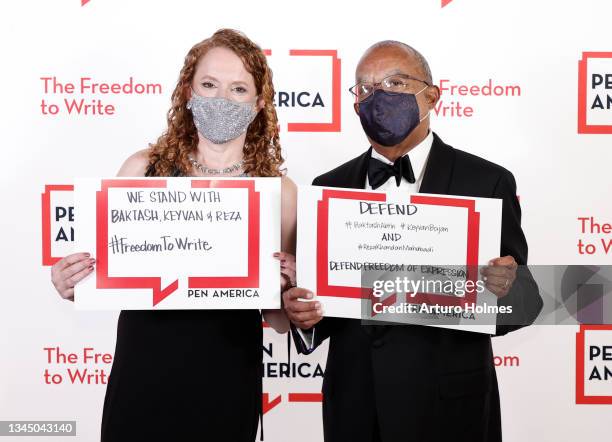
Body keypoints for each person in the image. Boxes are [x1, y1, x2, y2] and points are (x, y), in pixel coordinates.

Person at [283, 41, 543, 442]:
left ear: (432, 96)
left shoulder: (487, 182)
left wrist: (507, 290)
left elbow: (523, 303)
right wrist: (305, 316)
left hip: (450, 407)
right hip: (355, 405)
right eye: (365, 89)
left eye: (395, 82)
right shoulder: (328, 188)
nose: (378, 97)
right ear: (355, 105)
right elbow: (325, 301)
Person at [50, 29, 296, 442]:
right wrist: (71, 282)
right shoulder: (141, 170)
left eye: (238, 89)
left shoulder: (279, 192)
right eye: (209, 85)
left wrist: (286, 286)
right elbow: (101, 279)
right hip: (144, 371)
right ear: (187, 91)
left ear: (258, 104)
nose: (222, 99)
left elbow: (279, 320)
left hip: (227, 377)